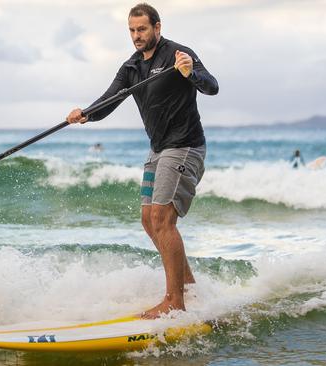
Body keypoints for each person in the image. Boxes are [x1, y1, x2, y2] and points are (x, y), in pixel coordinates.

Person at [66, 3, 218, 318]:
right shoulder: (132, 67)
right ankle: (188, 286)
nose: (137, 36)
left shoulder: (178, 55)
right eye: (132, 30)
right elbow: (110, 99)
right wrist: (86, 114)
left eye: (142, 29)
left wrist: (190, 73)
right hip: (158, 148)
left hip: (185, 146)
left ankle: (175, 301)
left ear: (157, 28)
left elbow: (212, 87)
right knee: (149, 220)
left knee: (163, 220)